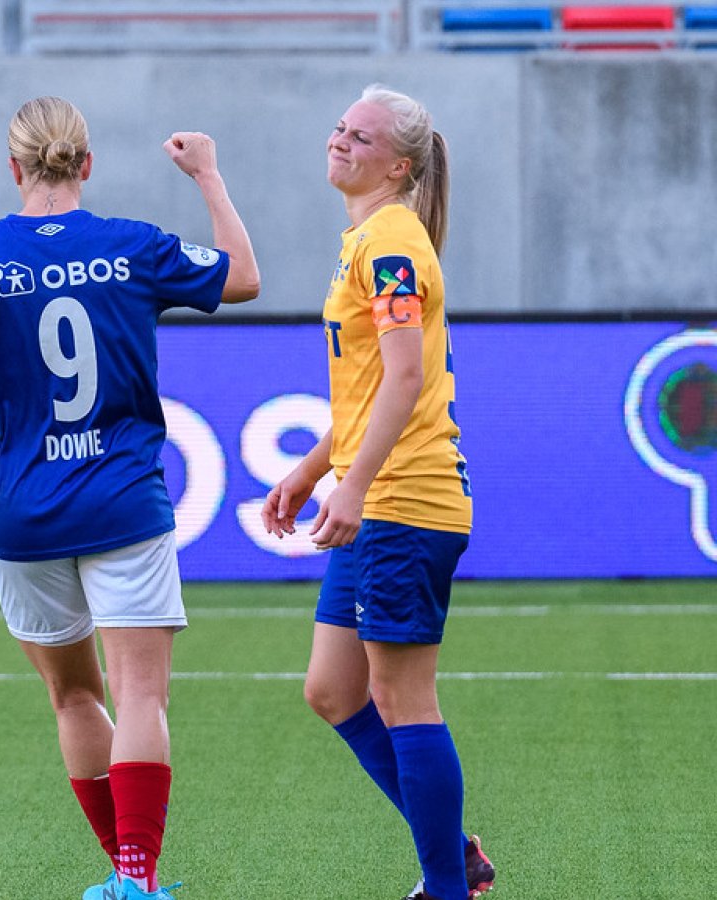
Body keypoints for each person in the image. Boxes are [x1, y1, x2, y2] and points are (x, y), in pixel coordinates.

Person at [0, 96, 260, 900]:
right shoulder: (132, 246)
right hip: (123, 502)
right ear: (87, 164)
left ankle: (124, 877)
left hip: (23, 511)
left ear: (15, 168)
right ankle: (137, 877)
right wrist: (207, 175)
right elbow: (242, 277)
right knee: (141, 694)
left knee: (74, 693)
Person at [259, 85, 495, 900]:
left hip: (405, 500)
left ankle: (445, 887)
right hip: (379, 495)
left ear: (398, 165)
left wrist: (352, 487)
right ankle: (452, 854)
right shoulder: (369, 238)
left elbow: (404, 377)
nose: (341, 141)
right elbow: (371, 392)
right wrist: (314, 468)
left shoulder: (391, 243)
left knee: (402, 694)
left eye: (360, 137)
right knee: (333, 690)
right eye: (338, 128)